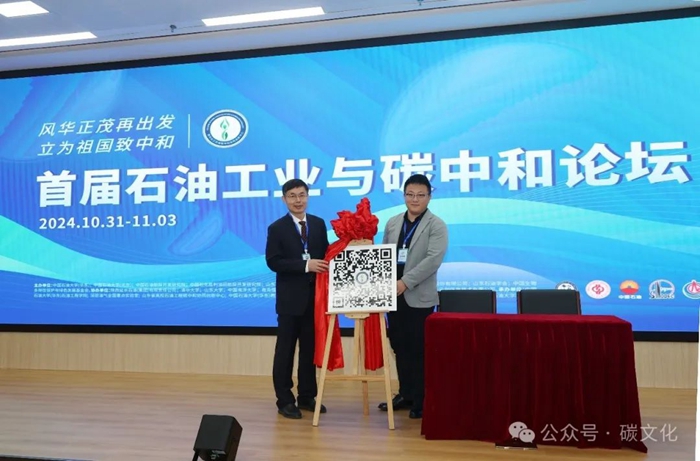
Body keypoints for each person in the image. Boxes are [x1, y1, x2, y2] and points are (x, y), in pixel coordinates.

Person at [378, 173, 448, 419]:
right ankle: (405, 394)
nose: (415, 199)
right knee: (399, 345)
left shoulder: (436, 225)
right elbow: (384, 255)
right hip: (393, 295)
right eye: (410, 194)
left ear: (429, 197)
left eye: (420, 195)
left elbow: (433, 260)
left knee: (418, 348)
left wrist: (405, 282)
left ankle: (421, 399)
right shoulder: (393, 222)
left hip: (419, 297)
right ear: (404, 195)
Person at [265, 178, 330, 419]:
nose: (298, 200)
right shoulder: (277, 228)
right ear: (284, 199)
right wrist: (305, 265)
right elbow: (273, 262)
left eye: (301, 195)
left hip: (315, 300)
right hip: (290, 301)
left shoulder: (318, 224)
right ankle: (284, 399)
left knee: (309, 350)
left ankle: (307, 396)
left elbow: (327, 254)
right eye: (292, 196)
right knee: (286, 351)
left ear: (308, 196)